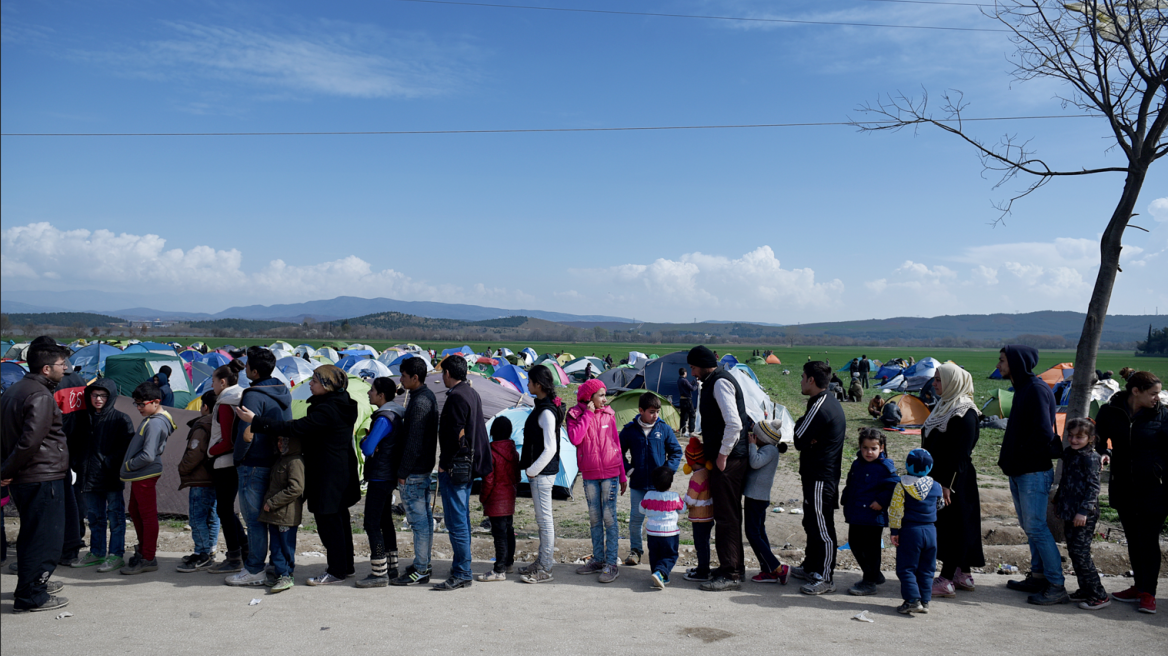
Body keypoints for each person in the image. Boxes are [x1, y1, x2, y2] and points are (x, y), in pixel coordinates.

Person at [241, 364, 360, 587]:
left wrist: (256, 421)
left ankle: (336, 571)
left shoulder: (327, 410)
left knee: (329, 523)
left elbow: (296, 428)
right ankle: (346, 566)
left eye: (315, 381)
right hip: (340, 470)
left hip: (327, 474)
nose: (310, 384)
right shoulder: (344, 403)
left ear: (327, 385)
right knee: (339, 520)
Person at [0, 343, 73, 612]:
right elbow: (30, 441)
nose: (65, 369)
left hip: (28, 476)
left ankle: (32, 584)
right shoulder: (40, 395)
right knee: (44, 539)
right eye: (61, 365)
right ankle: (32, 594)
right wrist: (6, 471)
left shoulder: (15, 390)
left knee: (32, 534)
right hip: (41, 476)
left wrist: (8, 469)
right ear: (46, 368)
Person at [996, 346, 1066, 605]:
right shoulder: (1023, 389)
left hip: (1032, 471)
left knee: (1036, 527)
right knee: (1031, 527)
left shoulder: (1035, 390)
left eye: (1002, 360)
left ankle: (1056, 585)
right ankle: (1038, 576)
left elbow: (1043, 434)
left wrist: (1020, 456)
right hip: (1021, 470)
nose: (998, 365)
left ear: (1016, 363)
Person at [1095, 371, 1165, 615]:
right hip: (1123, 486)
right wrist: (1103, 453)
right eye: (1153, 393)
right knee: (1133, 539)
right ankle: (1138, 586)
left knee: (1148, 540)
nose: (1157, 398)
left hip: (1155, 489)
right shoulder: (1110, 412)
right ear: (1136, 392)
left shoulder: (1163, 415)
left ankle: (1149, 593)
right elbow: (1098, 440)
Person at [227, 347, 292, 586]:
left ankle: (254, 569)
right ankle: (276, 564)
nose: (245, 370)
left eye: (247, 367)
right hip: (276, 461)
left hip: (254, 463)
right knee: (273, 518)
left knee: (254, 521)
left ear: (254, 371)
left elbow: (247, 432)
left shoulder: (253, 395)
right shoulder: (283, 391)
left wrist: (238, 458)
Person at [687, 345, 750, 592]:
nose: (692, 373)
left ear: (703, 365)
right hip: (729, 459)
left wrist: (722, 455)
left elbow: (734, 424)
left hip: (730, 461)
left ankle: (730, 573)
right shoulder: (714, 381)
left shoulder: (720, 383)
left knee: (726, 517)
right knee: (728, 515)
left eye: (693, 367)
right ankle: (733, 567)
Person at [921, 363, 985, 599]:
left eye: (939, 380)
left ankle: (946, 579)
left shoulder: (965, 413)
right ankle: (962, 573)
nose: (934, 384)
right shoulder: (945, 406)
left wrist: (948, 484)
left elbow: (961, 454)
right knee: (959, 524)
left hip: (955, 480)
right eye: (935, 379)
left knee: (954, 527)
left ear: (953, 382)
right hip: (940, 477)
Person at [434, 356, 493, 591]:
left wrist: (444, 463)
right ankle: (461, 565)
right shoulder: (471, 392)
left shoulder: (457, 396)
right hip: (467, 466)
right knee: (462, 519)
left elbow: (456, 434)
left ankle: (462, 572)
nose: (442, 377)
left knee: (456, 521)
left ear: (448, 373)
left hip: (456, 467)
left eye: (443, 373)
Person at [791, 360, 847, 595]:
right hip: (817, 474)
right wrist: (808, 436)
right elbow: (804, 437)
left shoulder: (821, 405)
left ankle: (825, 577)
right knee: (811, 522)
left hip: (820, 476)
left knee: (822, 526)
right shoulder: (823, 401)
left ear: (811, 380)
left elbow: (798, 438)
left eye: (803, 377)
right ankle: (811, 567)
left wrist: (807, 434)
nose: (801, 381)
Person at [70, 379, 134, 573]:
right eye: (95, 395)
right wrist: (77, 464)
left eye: (103, 395)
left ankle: (116, 554)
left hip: (111, 477)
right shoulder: (82, 418)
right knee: (95, 517)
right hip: (88, 476)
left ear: (111, 397)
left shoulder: (121, 419)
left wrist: (108, 462)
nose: (98, 399)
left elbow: (126, 447)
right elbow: (74, 443)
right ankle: (97, 552)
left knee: (115, 517)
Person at [568, 379, 627, 584]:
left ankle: (611, 563)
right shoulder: (575, 415)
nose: (605, 399)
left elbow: (616, 444)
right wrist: (588, 414)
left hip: (610, 473)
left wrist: (622, 475)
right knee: (595, 519)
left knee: (609, 519)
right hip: (590, 475)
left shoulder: (609, 414)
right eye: (601, 395)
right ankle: (598, 559)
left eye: (605, 395)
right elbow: (575, 439)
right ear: (589, 397)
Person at [619, 392, 682, 567]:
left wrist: (667, 473)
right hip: (638, 484)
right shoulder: (630, 430)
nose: (655, 415)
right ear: (641, 411)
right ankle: (636, 551)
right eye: (652, 412)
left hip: (659, 487)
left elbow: (676, 452)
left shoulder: (664, 429)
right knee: (636, 518)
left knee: (661, 519)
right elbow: (618, 451)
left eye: (657, 412)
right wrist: (628, 469)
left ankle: (662, 552)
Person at [119, 381, 176, 576]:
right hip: (142, 473)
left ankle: (148, 557)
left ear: (156, 402)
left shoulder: (155, 423)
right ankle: (144, 550)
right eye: (136, 404)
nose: (138, 408)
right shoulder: (154, 419)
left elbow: (148, 455)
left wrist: (128, 465)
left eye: (142, 404)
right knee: (136, 511)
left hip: (145, 473)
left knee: (147, 515)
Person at [392, 357, 439, 586]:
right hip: (423, 468)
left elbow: (413, 442)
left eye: (403, 376)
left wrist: (402, 471)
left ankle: (421, 569)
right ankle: (423, 563)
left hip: (415, 471)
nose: (401, 380)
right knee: (425, 521)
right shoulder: (425, 396)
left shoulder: (420, 402)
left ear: (415, 377)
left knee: (419, 523)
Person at [1054, 418, 1109, 611]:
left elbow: (1094, 487)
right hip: (1069, 510)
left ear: (1090, 438)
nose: (1074, 440)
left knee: (1081, 553)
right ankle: (1086, 589)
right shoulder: (1070, 453)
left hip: (1084, 514)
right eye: (1070, 436)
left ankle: (1099, 595)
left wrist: (1083, 511)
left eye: (1079, 437)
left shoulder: (1091, 458)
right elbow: (1065, 480)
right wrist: (1058, 502)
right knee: (1074, 552)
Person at [356, 377, 405, 588]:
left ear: (381, 395)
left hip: (379, 476)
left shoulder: (384, 418)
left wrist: (364, 441)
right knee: (385, 521)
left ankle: (379, 572)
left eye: (372, 390)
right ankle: (391, 568)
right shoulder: (396, 415)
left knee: (372, 523)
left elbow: (368, 449)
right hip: (388, 475)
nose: (369, 393)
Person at [841, 427, 898, 596]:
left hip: (873, 517)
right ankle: (874, 574)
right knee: (855, 543)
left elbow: (894, 485)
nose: (869, 452)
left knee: (871, 550)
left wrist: (881, 501)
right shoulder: (857, 464)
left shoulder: (884, 467)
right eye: (865, 448)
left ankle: (869, 582)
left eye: (873, 448)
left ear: (881, 448)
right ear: (860, 446)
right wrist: (846, 498)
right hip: (856, 514)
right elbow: (851, 483)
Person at [519, 365, 562, 584]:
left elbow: (550, 447)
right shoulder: (544, 407)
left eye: (530, 381)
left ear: (539, 384)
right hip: (540, 473)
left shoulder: (546, 412)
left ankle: (545, 567)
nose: (527, 385)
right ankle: (541, 561)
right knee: (542, 520)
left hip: (542, 474)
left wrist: (532, 470)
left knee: (545, 521)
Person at [205, 360, 249, 574]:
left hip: (224, 462)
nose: (212, 386)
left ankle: (234, 556)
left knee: (224, 510)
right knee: (228, 509)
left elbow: (227, 439)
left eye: (213, 381)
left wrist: (210, 452)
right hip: (238, 460)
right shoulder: (241, 396)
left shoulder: (225, 403)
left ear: (222, 382)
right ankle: (245, 549)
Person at [889, 448, 944, 615]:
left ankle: (912, 600)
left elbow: (896, 510)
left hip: (910, 531)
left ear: (907, 465)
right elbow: (940, 505)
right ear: (930, 467)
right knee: (927, 569)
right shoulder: (936, 486)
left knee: (906, 568)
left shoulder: (902, 485)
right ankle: (925, 601)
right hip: (931, 531)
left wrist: (894, 530)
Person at [176, 391, 220, 573]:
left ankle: (202, 553)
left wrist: (183, 468)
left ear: (205, 407)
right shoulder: (220, 424)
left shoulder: (202, 426)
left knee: (197, 518)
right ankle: (210, 549)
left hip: (200, 479)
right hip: (215, 477)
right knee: (213, 516)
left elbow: (194, 453)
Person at [258, 434, 305, 594]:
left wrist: (272, 502)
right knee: (276, 547)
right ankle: (279, 573)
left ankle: (286, 575)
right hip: (276, 515)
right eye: (278, 440)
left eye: (284, 440)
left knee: (285, 547)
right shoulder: (282, 459)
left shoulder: (295, 461)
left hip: (286, 515)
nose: (280, 444)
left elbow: (296, 488)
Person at [745, 420, 788, 585]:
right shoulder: (769, 449)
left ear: (763, 438)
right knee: (759, 533)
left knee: (753, 533)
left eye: (756, 435)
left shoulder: (769, 450)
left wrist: (751, 445)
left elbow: (755, 462)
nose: (754, 437)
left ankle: (777, 568)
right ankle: (769, 570)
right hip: (757, 497)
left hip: (756, 497)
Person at [477, 417, 519, 582]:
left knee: (499, 535)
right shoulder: (513, 452)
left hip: (495, 499)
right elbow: (517, 477)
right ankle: (508, 564)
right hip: (509, 498)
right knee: (509, 531)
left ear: (493, 432)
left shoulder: (491, 453)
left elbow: (488, 480)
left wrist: (483, 498)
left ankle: (499, 569)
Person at [642, 465, 685, 590]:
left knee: (654, 555)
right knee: (670, 555)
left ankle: (658, 575)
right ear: (670, 484)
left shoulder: (648, 495)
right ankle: (660, 573)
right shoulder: (674, 496)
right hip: (670, 533)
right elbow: (682, 509)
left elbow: (641, 509)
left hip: (652, 533)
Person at [681, 437, 714, 583]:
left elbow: (691, 499)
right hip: (708, 515)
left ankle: (703, 571)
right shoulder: (707, 472)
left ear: (691, 461)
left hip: (700, 516)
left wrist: (682, 505)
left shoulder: (697, 477)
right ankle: (703, 567)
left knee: (700, 544)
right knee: (704, 543)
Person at [677, 368, 696, 437]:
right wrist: (697, 385)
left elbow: (688, 385)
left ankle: (682, 431)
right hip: (687, 400)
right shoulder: (684, 380)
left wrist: (694, 381)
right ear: (684, 373)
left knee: (683, 416)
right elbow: (692, 388)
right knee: (692, 414)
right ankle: (691, 431)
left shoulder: (679, 380)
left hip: (682, 400)